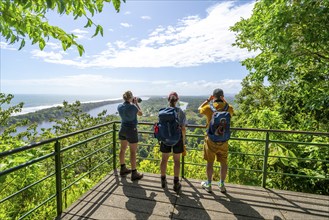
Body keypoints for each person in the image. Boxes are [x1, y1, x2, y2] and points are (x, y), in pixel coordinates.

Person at [198, 88, 234, 193]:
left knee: (210, 162)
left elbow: (199, 108)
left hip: (211, 140)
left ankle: (208, 184)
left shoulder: (209, 108)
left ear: (213, 97)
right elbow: (232, 112)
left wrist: (208, 100)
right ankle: (222, 184)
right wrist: (225, 101)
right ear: (222, 97)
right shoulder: (229, 108)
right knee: (224, 163)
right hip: (224, 140)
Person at [160, 92, 187, 193]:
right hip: (177, 138)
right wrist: (183, 141)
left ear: (168, 100)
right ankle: (176, 183)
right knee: (176, 161)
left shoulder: (163, 111)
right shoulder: (180, 112)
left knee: (164, 159)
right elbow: (183, 128)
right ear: (177, 100)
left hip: (165, 138)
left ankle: (163, 179)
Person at [117, 90, 143, 181]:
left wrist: (132, 102)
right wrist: (136, 103)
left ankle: (123, 168)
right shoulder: (133, 107)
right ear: (131, 98)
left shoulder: (119, 106)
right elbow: (140, 113)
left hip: (122, 129)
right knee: (133, 152)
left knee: (122, 149)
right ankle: (134, 173)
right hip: (131, 130)